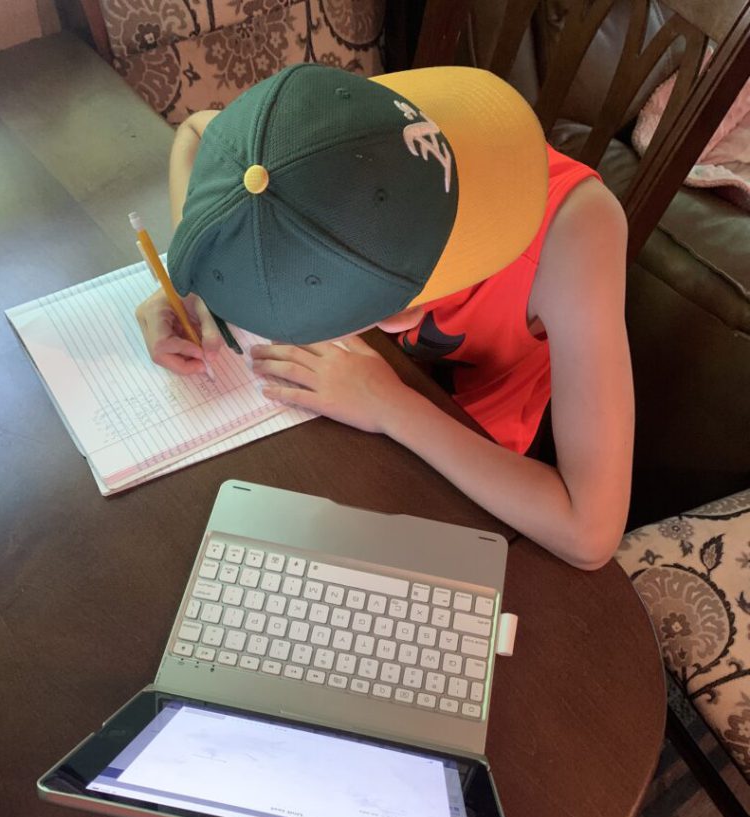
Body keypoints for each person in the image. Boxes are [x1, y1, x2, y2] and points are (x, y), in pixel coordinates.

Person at [136, 63, 633, 571]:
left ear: (399, 310)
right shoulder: (338, 132)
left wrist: (389, 405)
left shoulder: (577, 235)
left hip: (476, 457)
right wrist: (198, 270)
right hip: (357, 398)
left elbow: (589, 532)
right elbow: (196, 132)